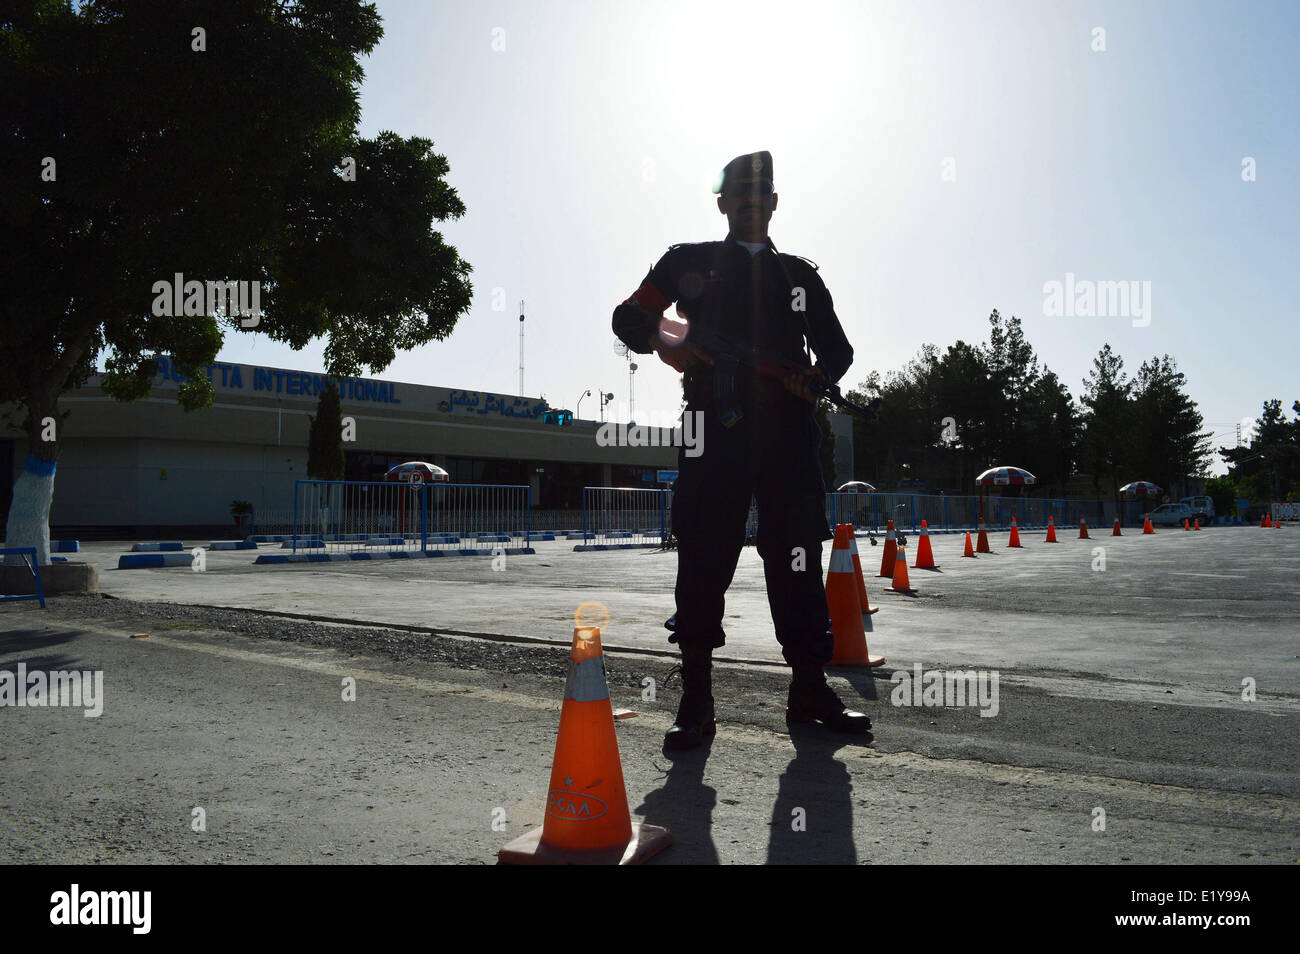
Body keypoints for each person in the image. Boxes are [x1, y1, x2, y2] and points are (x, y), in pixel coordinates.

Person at [611, 150, 872, 750]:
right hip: (712, 427)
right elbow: (629, 316)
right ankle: (695, 699)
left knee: (798, 560)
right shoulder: (687, 263)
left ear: (775, 203)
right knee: (702, 559)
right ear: (723, 203)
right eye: (741, 198)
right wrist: (664, 341)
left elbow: (838, 351)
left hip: (787, 432)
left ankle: (809, 688)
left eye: (764, 198)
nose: (753, 206)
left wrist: (817, 377)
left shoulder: (800, 277)